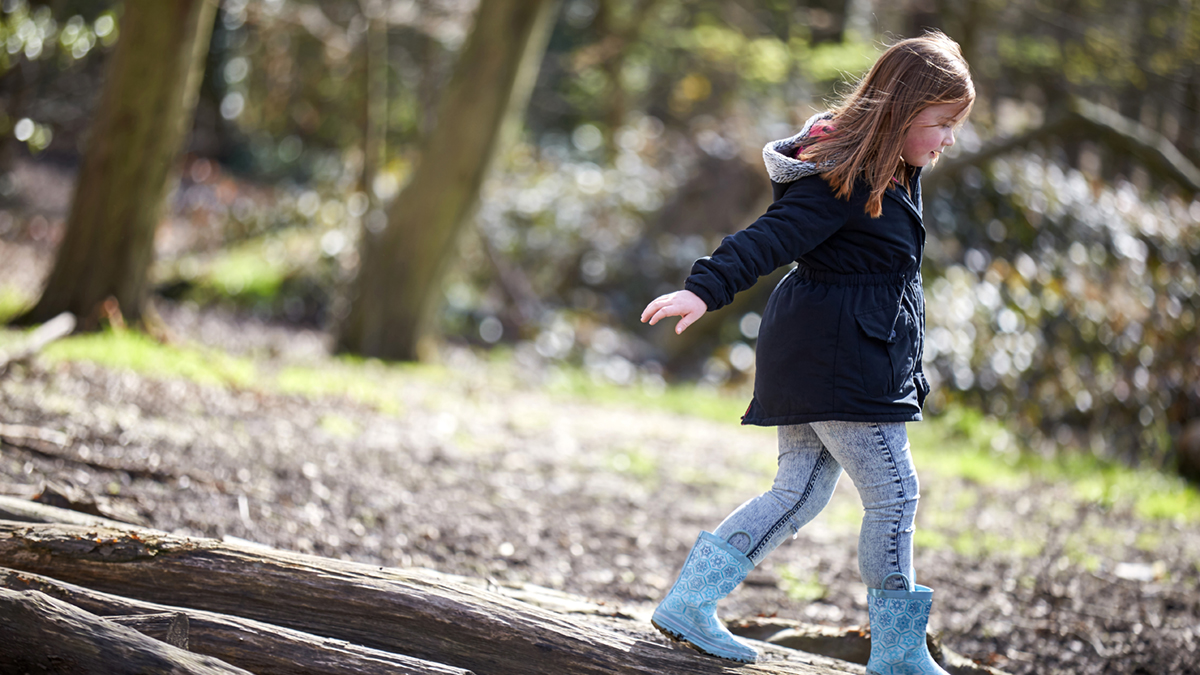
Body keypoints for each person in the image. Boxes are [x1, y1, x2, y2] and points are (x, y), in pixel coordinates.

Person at [639, 32, 974, 672]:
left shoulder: (895, 167)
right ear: (902, 113)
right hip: (837, 356)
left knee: (798, 492)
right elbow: (772, 236)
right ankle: (899, 652)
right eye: (941, 124)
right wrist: (702, 291)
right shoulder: (841, 177)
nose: (948, 139)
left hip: (822, 345)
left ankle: (689, 601)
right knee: (895, 494)